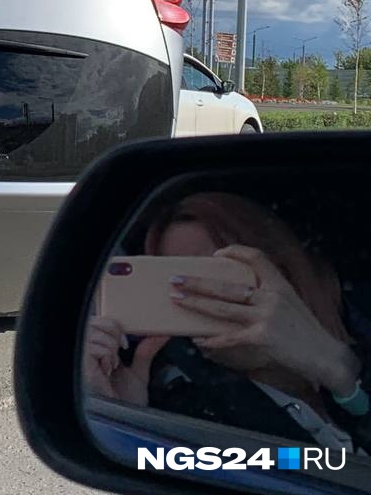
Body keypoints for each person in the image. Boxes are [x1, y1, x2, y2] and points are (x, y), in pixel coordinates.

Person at [84, 190, 371, 453]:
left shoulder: (361, 322)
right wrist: (128, 427)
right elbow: (293, 463)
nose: (201, 298)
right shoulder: (191, 409)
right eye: (176, 285)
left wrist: (336, 367)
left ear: (281, 270)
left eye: (216, 272)